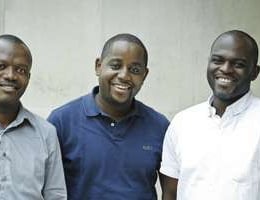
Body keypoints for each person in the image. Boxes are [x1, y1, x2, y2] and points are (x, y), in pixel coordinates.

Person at [48, 33, 169, 199]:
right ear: (98, 66)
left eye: (134, 70)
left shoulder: (160, 126)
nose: (124, 76)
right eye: (116, 65)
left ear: (144, 75)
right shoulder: (62, 121)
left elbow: (171, 193)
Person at [160, 30, 260, 200]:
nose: (225, 69)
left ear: (254, 72)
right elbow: (170, 194)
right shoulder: (182, 123)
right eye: (218, 60)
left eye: (238, 64)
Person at [0, 34, 67, 199]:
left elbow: (55, 195)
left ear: (28, 78)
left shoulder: (46, 133)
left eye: (21, 70)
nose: (11, 76)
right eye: (0, 66)